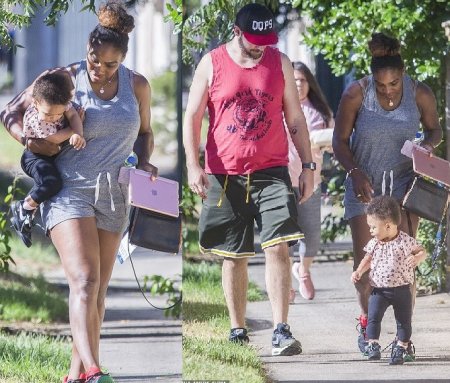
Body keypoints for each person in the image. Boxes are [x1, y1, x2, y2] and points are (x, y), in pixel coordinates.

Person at [1, 2, 158, 382]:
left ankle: (75, 377)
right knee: (84, 281)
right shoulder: (65, 77)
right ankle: (93, 369)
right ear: (87, 50)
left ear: (123, 58)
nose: (99, 69)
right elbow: (10, 111)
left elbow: (145, 133)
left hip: (114, 194)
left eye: (109, 64)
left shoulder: (137, 85)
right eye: (94, 60)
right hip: (68, 189)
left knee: (97, 294)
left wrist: (146, 161)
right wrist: (33, 140)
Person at [183, 3, 314, 357]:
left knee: (280, 245)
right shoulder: (212, 63)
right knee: (234, 254)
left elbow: (296, 119)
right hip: (225, 174)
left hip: (272, 171)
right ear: (237, 32)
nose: (260, 47)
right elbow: (193, 116)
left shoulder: (279, 62)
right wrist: (193, 166)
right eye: (253, 40)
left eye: (265, 40)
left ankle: (281, 329)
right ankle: (237, 329)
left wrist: (308, 166)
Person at [333, 32, 442, 355]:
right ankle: (369, 329)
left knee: (403, 264)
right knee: (367, 262)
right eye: (382, 86)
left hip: (403, 187)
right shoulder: (356, 94)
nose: (388, 91)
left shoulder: (419, 93)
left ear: (402, 76)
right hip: (364, 186)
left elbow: (435, 129)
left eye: (394, 84)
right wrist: (354, 172)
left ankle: (403, 338)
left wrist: (427, 144)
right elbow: (339, 141)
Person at [10, 72, 86, 248]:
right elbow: (54, 138)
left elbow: (73, 115)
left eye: (58, 115)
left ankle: (25, 215)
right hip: (34, 158)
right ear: (35, 103)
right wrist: (73, 131)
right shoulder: (35, 118)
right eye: (49, 115)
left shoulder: (60, 104)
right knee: (52, 183)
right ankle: (24, 207)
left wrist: (79, 132)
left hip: (49, 156)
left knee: (45, 186)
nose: (54, 118)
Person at [351, 196, 426, 365]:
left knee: (404, 321)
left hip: (402, 290)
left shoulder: (405, 240)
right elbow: (367, 259)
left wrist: (418, 258)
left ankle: (401, 347)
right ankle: (373, 345)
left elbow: (422, 251)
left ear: (388, 226)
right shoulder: (374, 243)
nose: (370, 230)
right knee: (373, 318)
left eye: (373, 227)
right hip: (379, 290)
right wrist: (359, 271)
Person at [288, 61, 334, 301]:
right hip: (283, 181)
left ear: (309, 83)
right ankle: (285, 284)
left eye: (303, 80)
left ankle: (302, 270)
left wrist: (326, 143)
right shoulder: (280, 106)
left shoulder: (320, 113)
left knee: (312, 239)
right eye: (294, 80)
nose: (298, 84)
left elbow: (333, 143)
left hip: (310, 182)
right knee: (284, 239)